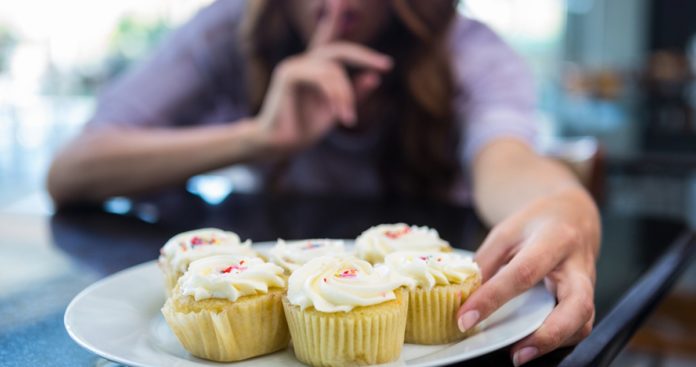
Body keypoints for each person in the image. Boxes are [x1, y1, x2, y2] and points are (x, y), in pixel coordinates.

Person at [47, 1, 600, 365]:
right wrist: (257, 137)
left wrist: (565, 203)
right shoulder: (230, 29)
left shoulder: (469, 50)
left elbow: (504, 159)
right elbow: (72, 169)